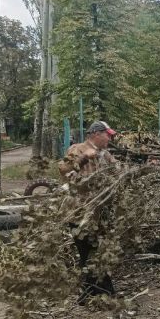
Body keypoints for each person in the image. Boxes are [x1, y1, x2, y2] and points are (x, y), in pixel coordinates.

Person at [58, 121, 118, 301]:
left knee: (96, 251)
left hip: (98, 212)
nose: (110, 138)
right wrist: (84, 158)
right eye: (107, 134)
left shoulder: (105, 154)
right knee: (88, 251)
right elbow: (63, 169)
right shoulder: (77, 149)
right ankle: (103, 291)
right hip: (79, 212)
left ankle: (90, 291)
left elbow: (118, 170)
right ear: (95, 134)